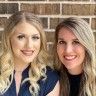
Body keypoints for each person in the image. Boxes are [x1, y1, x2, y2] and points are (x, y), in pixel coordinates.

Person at [0, 11, 60, 96]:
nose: (29, 45)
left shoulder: (49, 79)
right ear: (9, 39)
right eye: (21, 37)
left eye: (35, 37)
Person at [53, 17, 96, 96]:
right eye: (62, 42)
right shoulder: (50, 81)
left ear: (87, 46)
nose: (68, 50)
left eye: (76, 42)